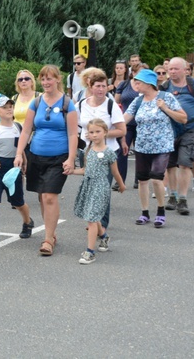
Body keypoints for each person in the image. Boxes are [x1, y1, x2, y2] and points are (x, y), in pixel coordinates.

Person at [14, 65, 78, 257]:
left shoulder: (68, 103)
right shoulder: (37, 102)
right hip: (36, 154)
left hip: (59, 157)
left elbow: (73, 133)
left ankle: (48, 239)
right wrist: (19, 154)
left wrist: (71, 159)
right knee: (42, 197)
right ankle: (51, 232)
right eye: (43, 79)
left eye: (49, 79)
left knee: (50, 196)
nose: (46, 82)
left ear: (58, 79)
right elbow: (26, 130)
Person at [123, 69, 187, 228]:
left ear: (149, 83)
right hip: (142, 146)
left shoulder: (166, 97)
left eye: (138, 82)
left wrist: (165, 108)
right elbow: (123, 120)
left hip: (162, 146)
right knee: (143, 180)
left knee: (157, 178)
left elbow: (183, 118)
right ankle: (144, 212)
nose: (135, 85)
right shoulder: (137, 101)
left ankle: (160, 211)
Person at [0, 96, 34, 249]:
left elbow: (21, 150)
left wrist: (24, 163)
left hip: (13, 169)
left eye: (11, 106)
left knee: (18, 202)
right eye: (5, 107)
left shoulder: (19, 128)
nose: (9, 109)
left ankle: (27, 222)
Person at [75, 69, 125, 236]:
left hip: (106, 152)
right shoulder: (81, 104)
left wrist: (99, 134)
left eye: (104, 86)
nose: (101, 89)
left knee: (102, 189)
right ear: (90, 86)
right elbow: (74, 125)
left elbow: (121, 130)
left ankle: (101, 225)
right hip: (87, 152)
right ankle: (93, 219)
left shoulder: (110, 104)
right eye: (97, 86)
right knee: (90, 187)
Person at [163, 58, 194, 216]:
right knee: (170, 165)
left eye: (176, 69)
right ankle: (173, 195)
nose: (172, 72)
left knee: (185, 163)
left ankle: (183, 199)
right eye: (170, 69)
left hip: (190, 129)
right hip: (169, 130)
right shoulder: (164, 87)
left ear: (185, 70)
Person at [72, 119, 126, 264]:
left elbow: (115, 171)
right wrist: (72, 171)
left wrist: (121, 185)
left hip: (100, 187)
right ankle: (104, 237)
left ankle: (90, 252)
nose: (94, 135)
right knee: (93, 217)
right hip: (88, 185)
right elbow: (85, 170)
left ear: (105, 133)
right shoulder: (88, 150)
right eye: (91, 132)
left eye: (98, 132)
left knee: (91, 219)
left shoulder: (108, 152)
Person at [115, 62, 143, 188]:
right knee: (122, 150)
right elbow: (116, 103)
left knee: (141, 152)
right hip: (126, 123)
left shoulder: (147, 87)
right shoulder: (124, 84)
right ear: (133, 73)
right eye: (137, 72)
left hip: (142, 124)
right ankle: (120, 180)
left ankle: (139, 178)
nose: (139, 75)